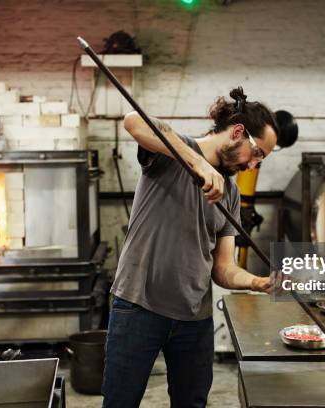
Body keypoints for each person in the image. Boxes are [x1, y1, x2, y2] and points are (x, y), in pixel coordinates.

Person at [102, 87, 279, 408]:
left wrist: (257, 282)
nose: (253, 165)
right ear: (238, 132)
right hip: (139, 307)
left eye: (261, 160)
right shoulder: (172, 153)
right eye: (257, 154)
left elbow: (223, 268)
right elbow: (133, 121)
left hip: (194, 319)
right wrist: (197, 161)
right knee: (119, 403)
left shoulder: (231, 193)